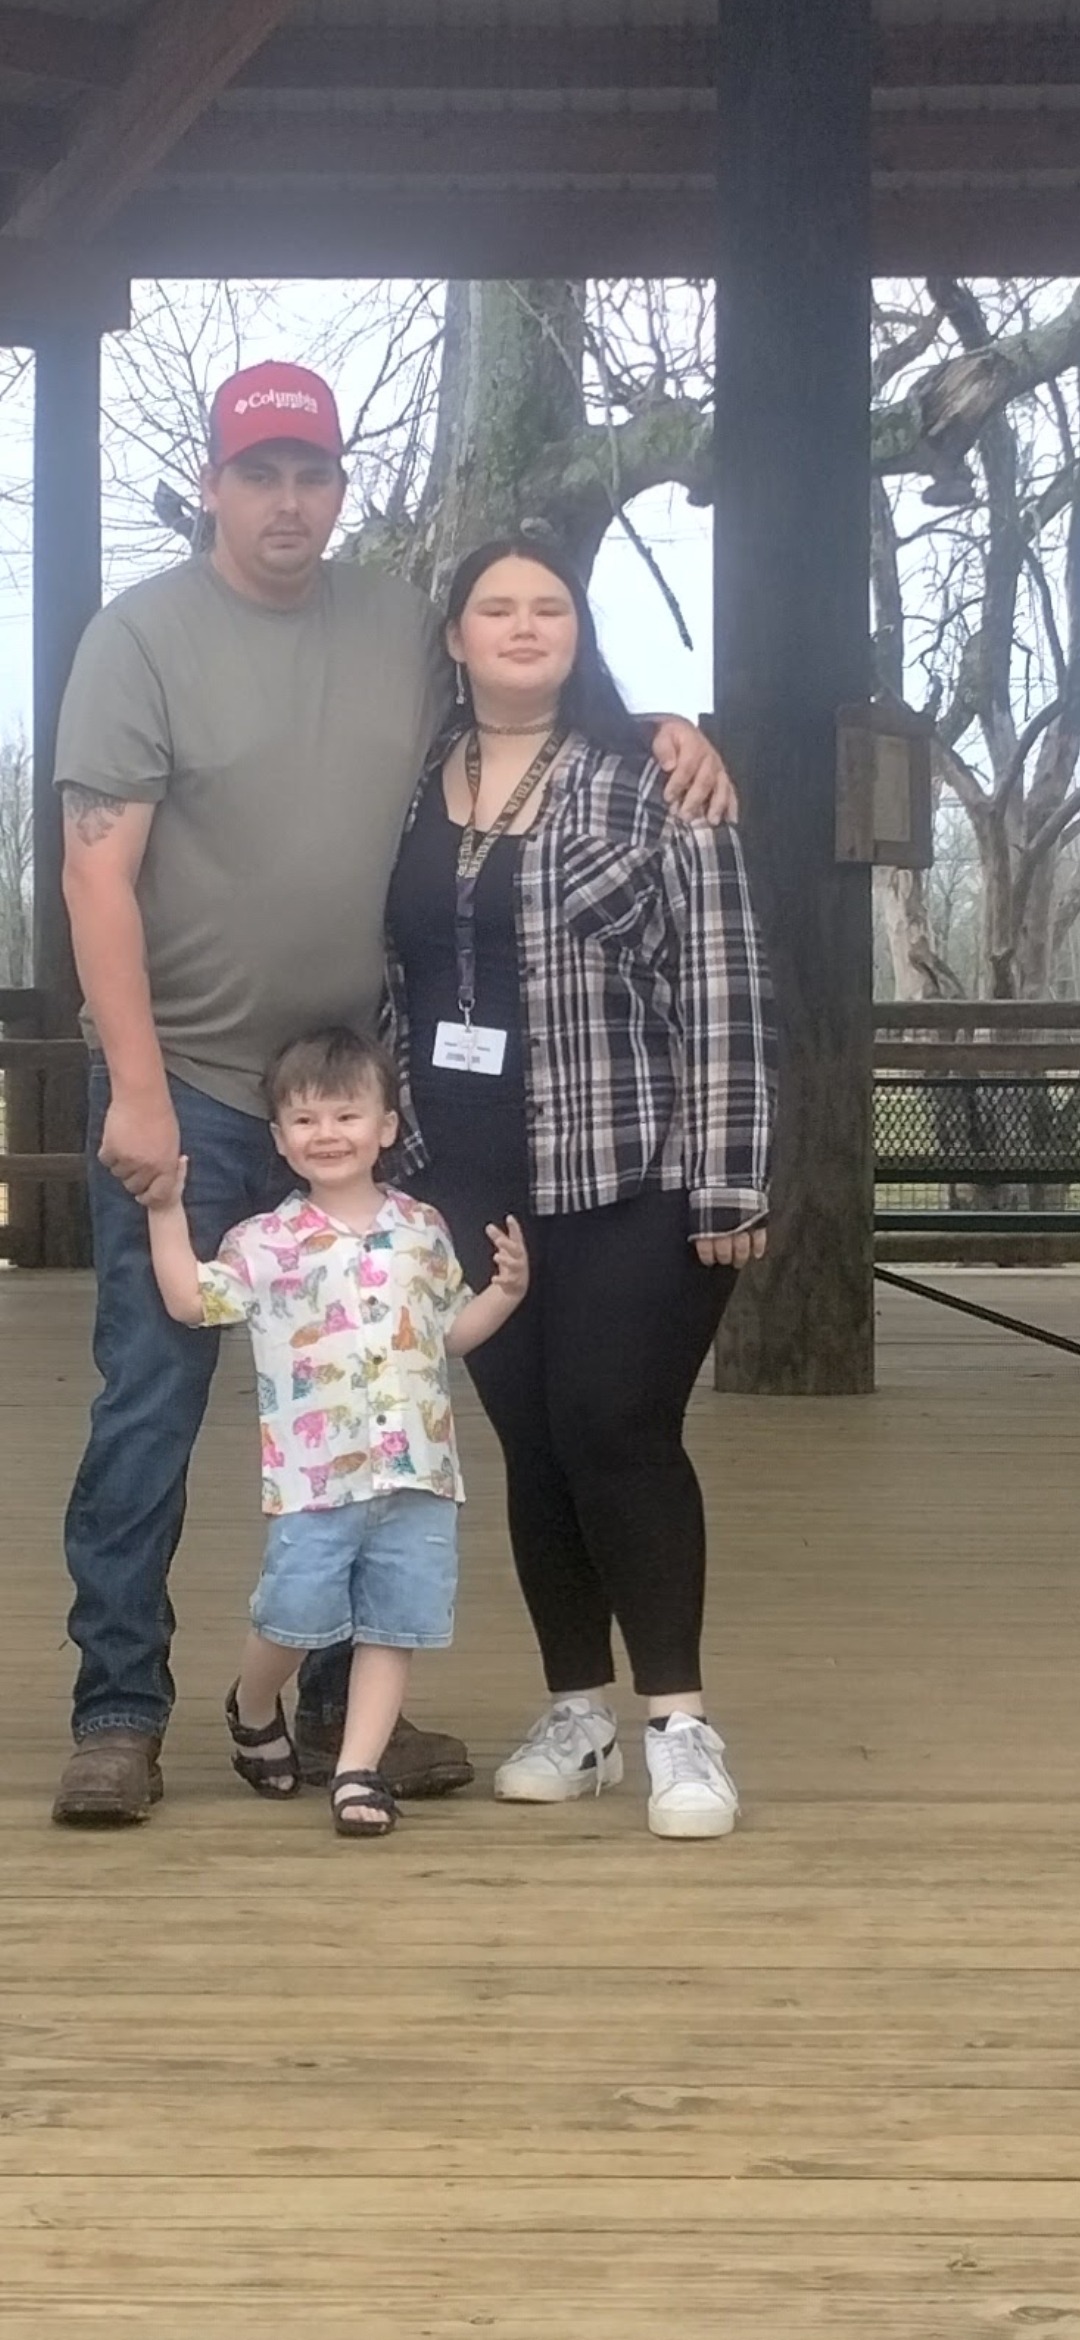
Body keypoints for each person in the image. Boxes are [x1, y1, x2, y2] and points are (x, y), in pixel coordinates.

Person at [51, 357, 738, 1828]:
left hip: (359, 1110)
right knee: (151, 1405)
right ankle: (118, 1709)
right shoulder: (140, 638)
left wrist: (663, 730)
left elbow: (523, 695)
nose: (287, 500)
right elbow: (95, 873)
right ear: (215, 486)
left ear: (339, 485)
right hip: (194, 1090)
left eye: (312, 473)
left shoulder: (393, 625)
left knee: (371, 1404)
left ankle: (333, 1703)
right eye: (259, 473)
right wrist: (138, 1091)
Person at [308, 537, 776, 1841]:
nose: (523, 627)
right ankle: (578, 1715)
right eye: (496, 608)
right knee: (533, 1441)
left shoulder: (658, 777)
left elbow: (728, 986)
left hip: (629, 1163)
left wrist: (730, 1182)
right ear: (455, 638)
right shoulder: (411, 782)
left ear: (580, 631)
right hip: (458, 1170)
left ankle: (678, 1724)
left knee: (616, 1426)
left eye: (549, 608)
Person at [145, 1027, 528, 1837]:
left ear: (386, 1127)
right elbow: (190, 1300)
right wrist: (166, 1211)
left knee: (393, 1625)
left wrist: (504, 1294)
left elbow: (450, 1334)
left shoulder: (423, 1229)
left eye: (347, 1116)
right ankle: (254, 1705)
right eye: (305, 1119)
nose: (327, 1134)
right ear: (280, 1138)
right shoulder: (264, 1242)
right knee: (294, 1612)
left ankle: (357, 1771)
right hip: (315, 1479)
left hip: (419, 1474)